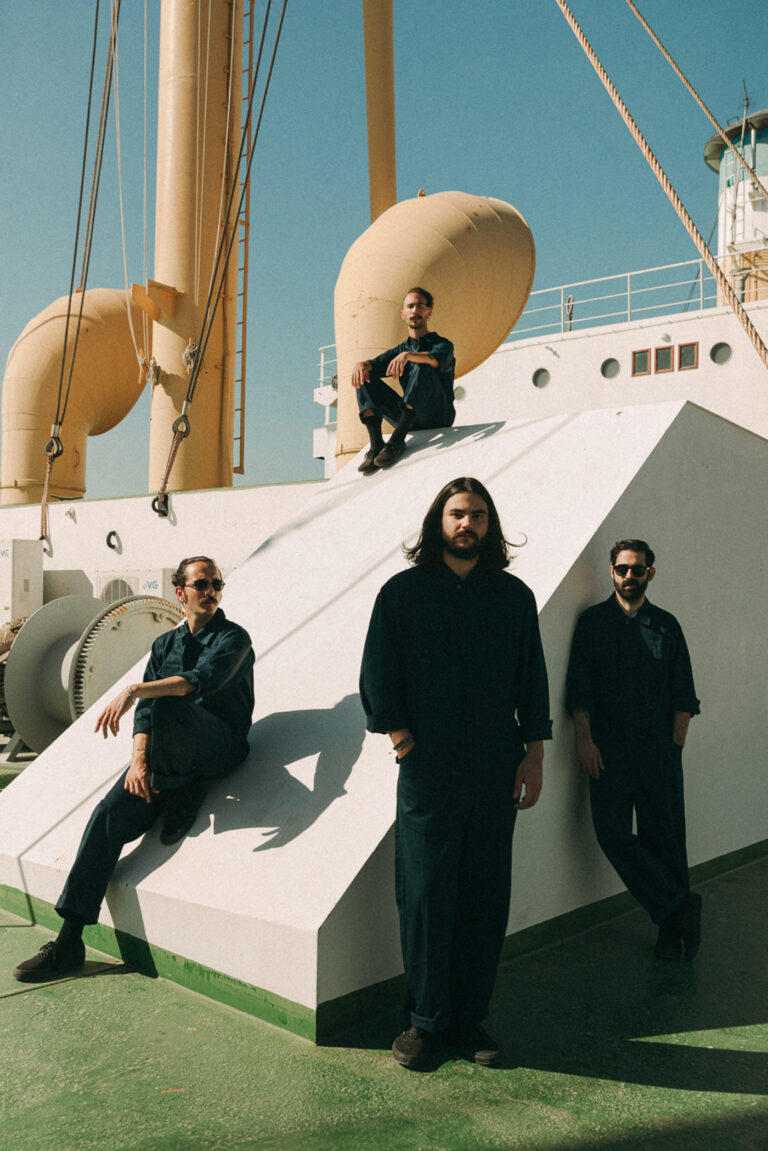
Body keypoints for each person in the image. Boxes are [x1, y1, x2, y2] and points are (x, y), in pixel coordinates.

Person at [360, 477, 552, 1069]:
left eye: (478, 515)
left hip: (496, 763)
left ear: (490, 525)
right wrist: (400, 738)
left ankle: (469, 1020)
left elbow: (532, 677)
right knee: (424, 894)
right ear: (438, 522)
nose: (467, 523)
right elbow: (378, 671)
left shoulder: (513, 597)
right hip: (428, 768)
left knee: (484, 894)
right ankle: (423, 1021)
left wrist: (534, 754)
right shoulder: (403, 592)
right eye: (457, 513)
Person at [14, 556, 254, 982]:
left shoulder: (233, 638)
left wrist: (133, 689)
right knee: (106, 815)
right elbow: (146, 715)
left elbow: (196, 682)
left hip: (219, 747)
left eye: (217, 584)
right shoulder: (164, 645)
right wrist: (138, 762)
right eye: (202, 584)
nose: (212, 592)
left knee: (170, 701)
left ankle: (183, 789)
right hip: (165, 758)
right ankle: (69, 941)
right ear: (180, 592)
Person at [565, 540, 701, 961]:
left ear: (650, 574)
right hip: (606, 754)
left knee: (664, 840)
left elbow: (684, 694)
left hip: (658, 755)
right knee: (613, 835)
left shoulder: (666, 625)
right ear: (612, 572)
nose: (629, 576)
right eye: (622, 569)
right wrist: (585, 740)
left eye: (637, 570)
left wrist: (674, 745)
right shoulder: (593, 623)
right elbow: (579, 690)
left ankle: (670, 932)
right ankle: (679, 905)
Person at [352, 287, 455, 472]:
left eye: (420, 306)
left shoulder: (443, 344)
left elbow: (433, 359)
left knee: (422, 364)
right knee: (364, 376)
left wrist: (408, 356)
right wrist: (361, 364)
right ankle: (376, 445)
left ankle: (397, 440)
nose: (415, 310)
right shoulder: (401, 350)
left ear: (429, 313)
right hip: (411, 418)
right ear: (403, 314)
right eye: (410, 306)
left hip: (438, 415)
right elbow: (373, 365)